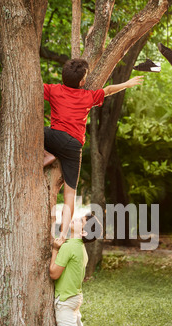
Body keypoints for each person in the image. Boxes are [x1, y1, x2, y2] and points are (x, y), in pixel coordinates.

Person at [44, 58, 144, 245]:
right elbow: (108, 90)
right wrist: (127, 84)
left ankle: (47, 154)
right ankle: (62, 236)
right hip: (74, 146)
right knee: (70, 195)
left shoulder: (53, 90)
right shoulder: (87, 96)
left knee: (38, 129)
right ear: (82, 82)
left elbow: (35, 87)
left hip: (54, 138)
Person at [49, 213, 102, 326]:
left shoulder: (69, 246)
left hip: (65, 301)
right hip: (75, 299)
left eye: (81, 221)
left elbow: (54, 273)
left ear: (84, 232)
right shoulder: (80, 248)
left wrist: (55, 250)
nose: (76, 219)